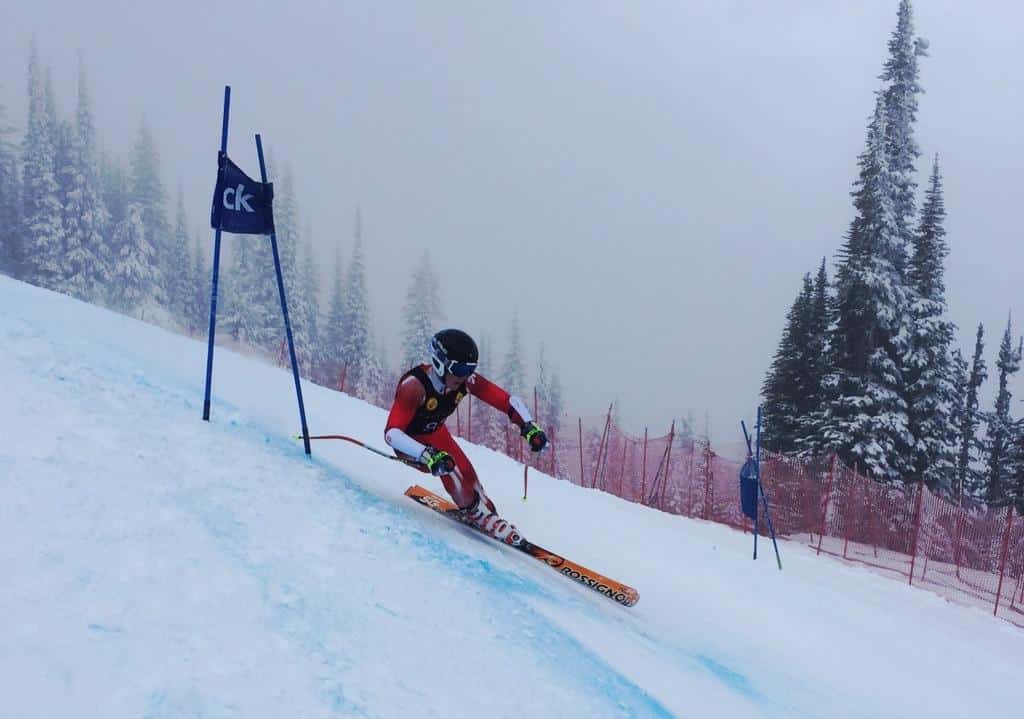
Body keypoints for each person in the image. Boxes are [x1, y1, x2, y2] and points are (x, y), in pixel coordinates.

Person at [385, 328, 549, 543]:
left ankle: (483, 511)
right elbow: (392, 433)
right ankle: (475, 513)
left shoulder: (464, 380)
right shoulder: (414, 386)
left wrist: (528, 426)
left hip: (435, 434)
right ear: (440, 363)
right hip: (410, 442)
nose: (464, 376)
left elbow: (505, 400)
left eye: (470, 369)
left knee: (470, 479)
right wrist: (426, 455)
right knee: (450, 468)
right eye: (460, 368)